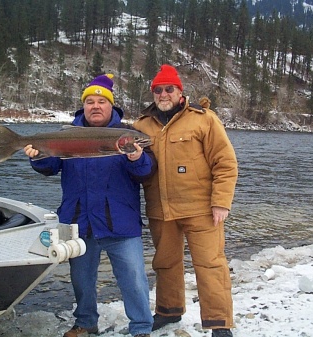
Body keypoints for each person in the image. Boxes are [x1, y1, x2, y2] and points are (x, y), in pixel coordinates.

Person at [24, 74, 155, 337]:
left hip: (120, 222)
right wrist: (38, 157)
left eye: (101, 102)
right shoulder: (67, 134)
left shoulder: (128, 135)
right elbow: (50, 167)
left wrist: (136, 156)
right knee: (81, 281)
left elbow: (146, 172)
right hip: (78, 222)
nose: (96, 106)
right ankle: (85, 323)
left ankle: (141, 328)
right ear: (84, 106)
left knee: (134, 280)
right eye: (90, 101)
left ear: (111, 107)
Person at [133, 65, 238, 337]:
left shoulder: (204, 119)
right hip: (160, 210)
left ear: (180, 93)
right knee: (165, 263)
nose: (163, 94)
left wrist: (221, 202)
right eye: (158, 90)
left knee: (210, 265)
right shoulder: (141, 125)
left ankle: (219, 323)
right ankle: (169, 310)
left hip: (201, 209)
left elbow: (225, 163)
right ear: (153, 93)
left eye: (169, 89)